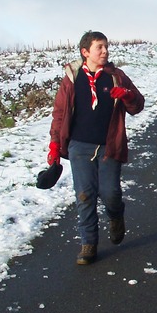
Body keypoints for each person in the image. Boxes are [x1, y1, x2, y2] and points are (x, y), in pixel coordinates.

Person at [47, 31, 145, 265]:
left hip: (109, 145)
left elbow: (137, 105)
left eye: (106, 47)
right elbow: (60, 113)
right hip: (79, 146)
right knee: (85, 195)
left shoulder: (116, 76)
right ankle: (88, 244)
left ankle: (116, 214)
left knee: (110, 193)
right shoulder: (72, 78)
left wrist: (127, 95)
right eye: (99, 47)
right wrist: (54, 144)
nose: (105, 51)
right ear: (85, 52)